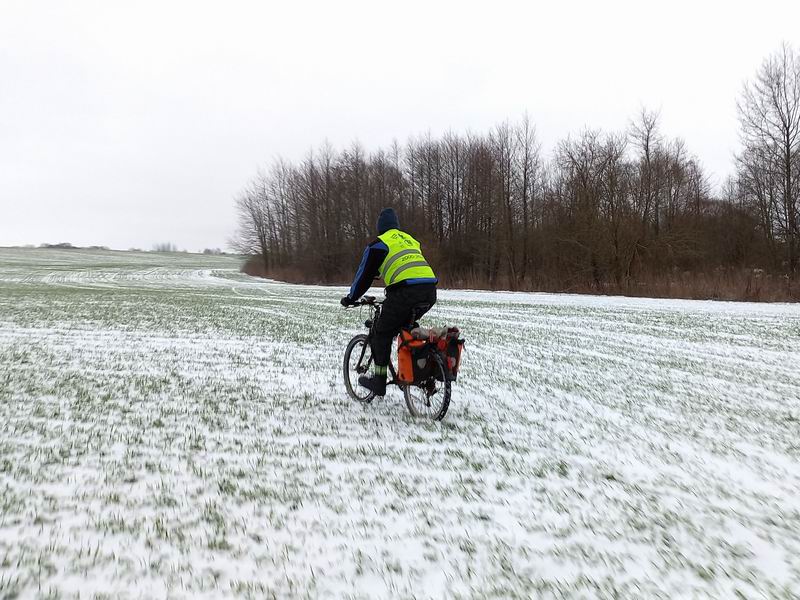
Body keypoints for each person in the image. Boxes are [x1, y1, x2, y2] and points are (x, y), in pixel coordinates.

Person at [341, 208, 437, 396]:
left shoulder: (379, 244)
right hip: (429, 291)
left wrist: (350, 298)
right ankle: (422, 372)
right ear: (396, 226)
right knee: (407, 328)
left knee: (381, 334)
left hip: (405, 293)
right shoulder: (410, 240)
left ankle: (379, 381)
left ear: (380, 228)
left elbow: (364, 277)